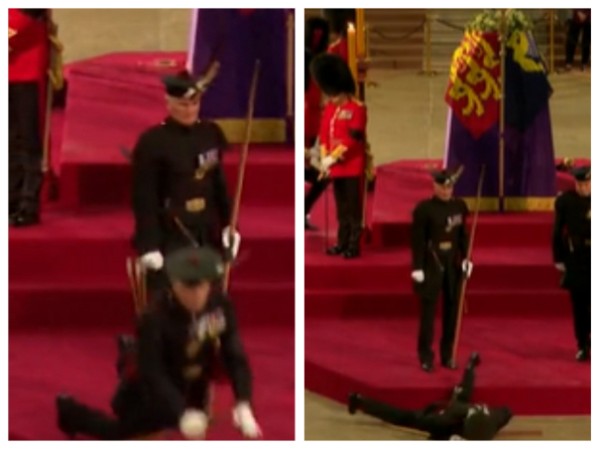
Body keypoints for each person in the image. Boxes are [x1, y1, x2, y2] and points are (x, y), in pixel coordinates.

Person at [55, 246, 261, 440]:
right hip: (151, 393)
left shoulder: (220, 306)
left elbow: (234, 354)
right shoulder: (154, 318)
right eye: (188, 288)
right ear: (174, 285)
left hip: (194, 387)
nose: (196, 294)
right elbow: (152, 373)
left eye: (202, 286)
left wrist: (243, 401)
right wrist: (181, 413)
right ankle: (71, 412)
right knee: (121, 435)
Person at [130, 70, 240, 298]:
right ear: (168, 103)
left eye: (194, 103)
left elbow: (218, 184)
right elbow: (144, 198)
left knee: (210, 303)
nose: (189, 110)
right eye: (182, 104)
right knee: (171, 306)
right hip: (172, 234)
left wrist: (230, 225)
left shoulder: (210, 134)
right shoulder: (152, 142)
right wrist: (149, 245)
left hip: (206, 232)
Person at [347, 352, 513, 440]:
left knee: (464, 393)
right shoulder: (451, 419)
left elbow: (507, 412)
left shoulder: (493, 420)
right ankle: (361, 401)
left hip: (457, 417)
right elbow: (443, 410)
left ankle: (361, 401)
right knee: (409, 417)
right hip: (450, 414)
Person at [411, 168, 472, 372]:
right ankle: (425, 355)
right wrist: (417, 267)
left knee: (452, 312)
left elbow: (462, 236)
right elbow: (418, 241)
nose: (446, 191)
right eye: (442, 187)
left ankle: (448, 355)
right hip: (432, 264)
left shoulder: (459, 206)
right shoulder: (424, 209)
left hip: (452, 266)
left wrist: (466, 259)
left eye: (449, 187)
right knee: (428, 314)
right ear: (434, 186)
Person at [311, 53, 367, 258]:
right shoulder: (331, 108)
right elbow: (325, 134)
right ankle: (342, 242)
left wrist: (333, 157)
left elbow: (354, 140)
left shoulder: (357, 109)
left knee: (353, 209)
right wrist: (325, 159)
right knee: (341, 208)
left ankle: (354, 244)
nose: (331, 97)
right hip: (335, 166)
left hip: (352, 165)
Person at [8, 9, 50, 227]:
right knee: (9, 139)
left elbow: (29, 13)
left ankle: (28, 203)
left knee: (28, 139)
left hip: (26, 65)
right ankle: (11, 199)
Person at [552, 166, 591, 361]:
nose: (583, 187)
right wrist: (559, 258)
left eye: (586, 184)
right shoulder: (566, 202)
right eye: (580, 184)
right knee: (580, 304)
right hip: (576, 257)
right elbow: (557, 232)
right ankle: (582, 344)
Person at [305, 16, 330, 231]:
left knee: (323, 175)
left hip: (314, 129)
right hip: (306, 130)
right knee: (321, 175)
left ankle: (303, 210)